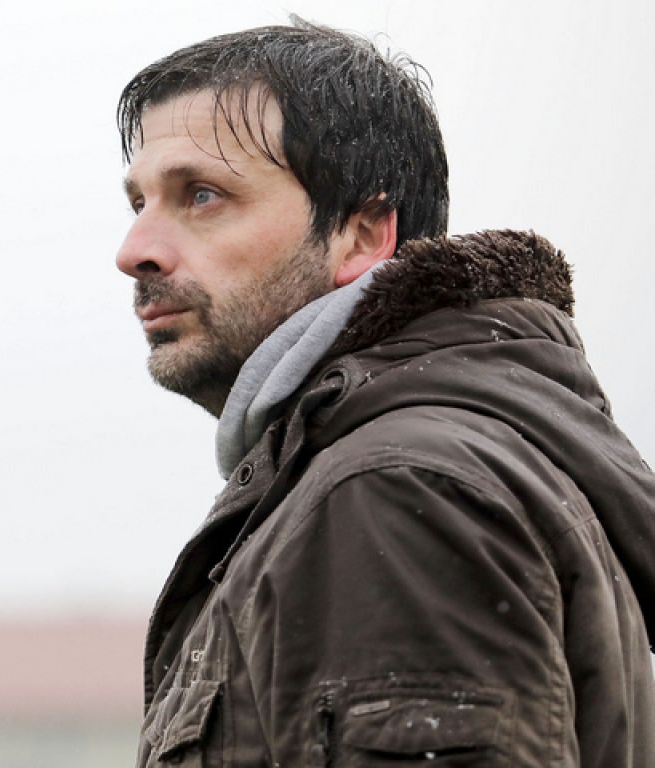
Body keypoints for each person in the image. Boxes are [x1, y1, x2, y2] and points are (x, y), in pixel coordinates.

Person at [114, 17, 654, 767]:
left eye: (202, 195)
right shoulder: (416, 463)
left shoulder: (397, 487)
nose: (134, 251)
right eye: (138, 204)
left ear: (363, 235)